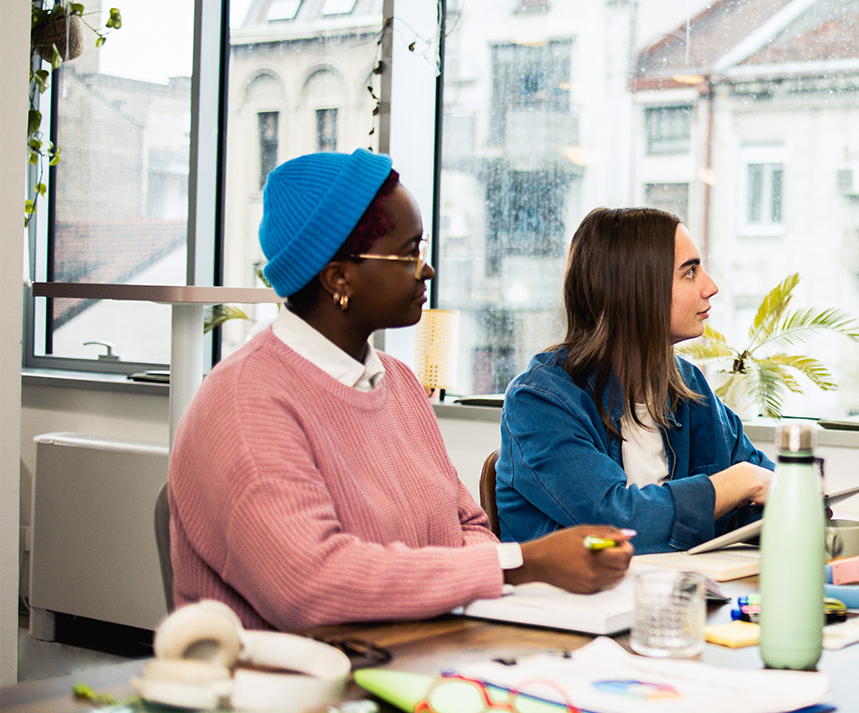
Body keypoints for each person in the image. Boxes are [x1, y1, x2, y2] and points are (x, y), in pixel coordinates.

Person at [167, 149, 632, 632]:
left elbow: (467, 526)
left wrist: (500, 579)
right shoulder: (245, 402)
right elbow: (312, 585)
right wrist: (521, 563)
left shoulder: (398, 381)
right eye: (409, 254)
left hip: (430, 650)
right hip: (304, 674)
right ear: (339, 277)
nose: (426, 271)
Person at [496, 207, 775, 554]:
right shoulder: (539, 402)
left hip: (677, 584)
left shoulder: (689, 387)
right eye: (690, 272)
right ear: (636, 290)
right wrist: (738, 483)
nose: (711, 287)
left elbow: (763, 491)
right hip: (575, 592)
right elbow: (615, 524)